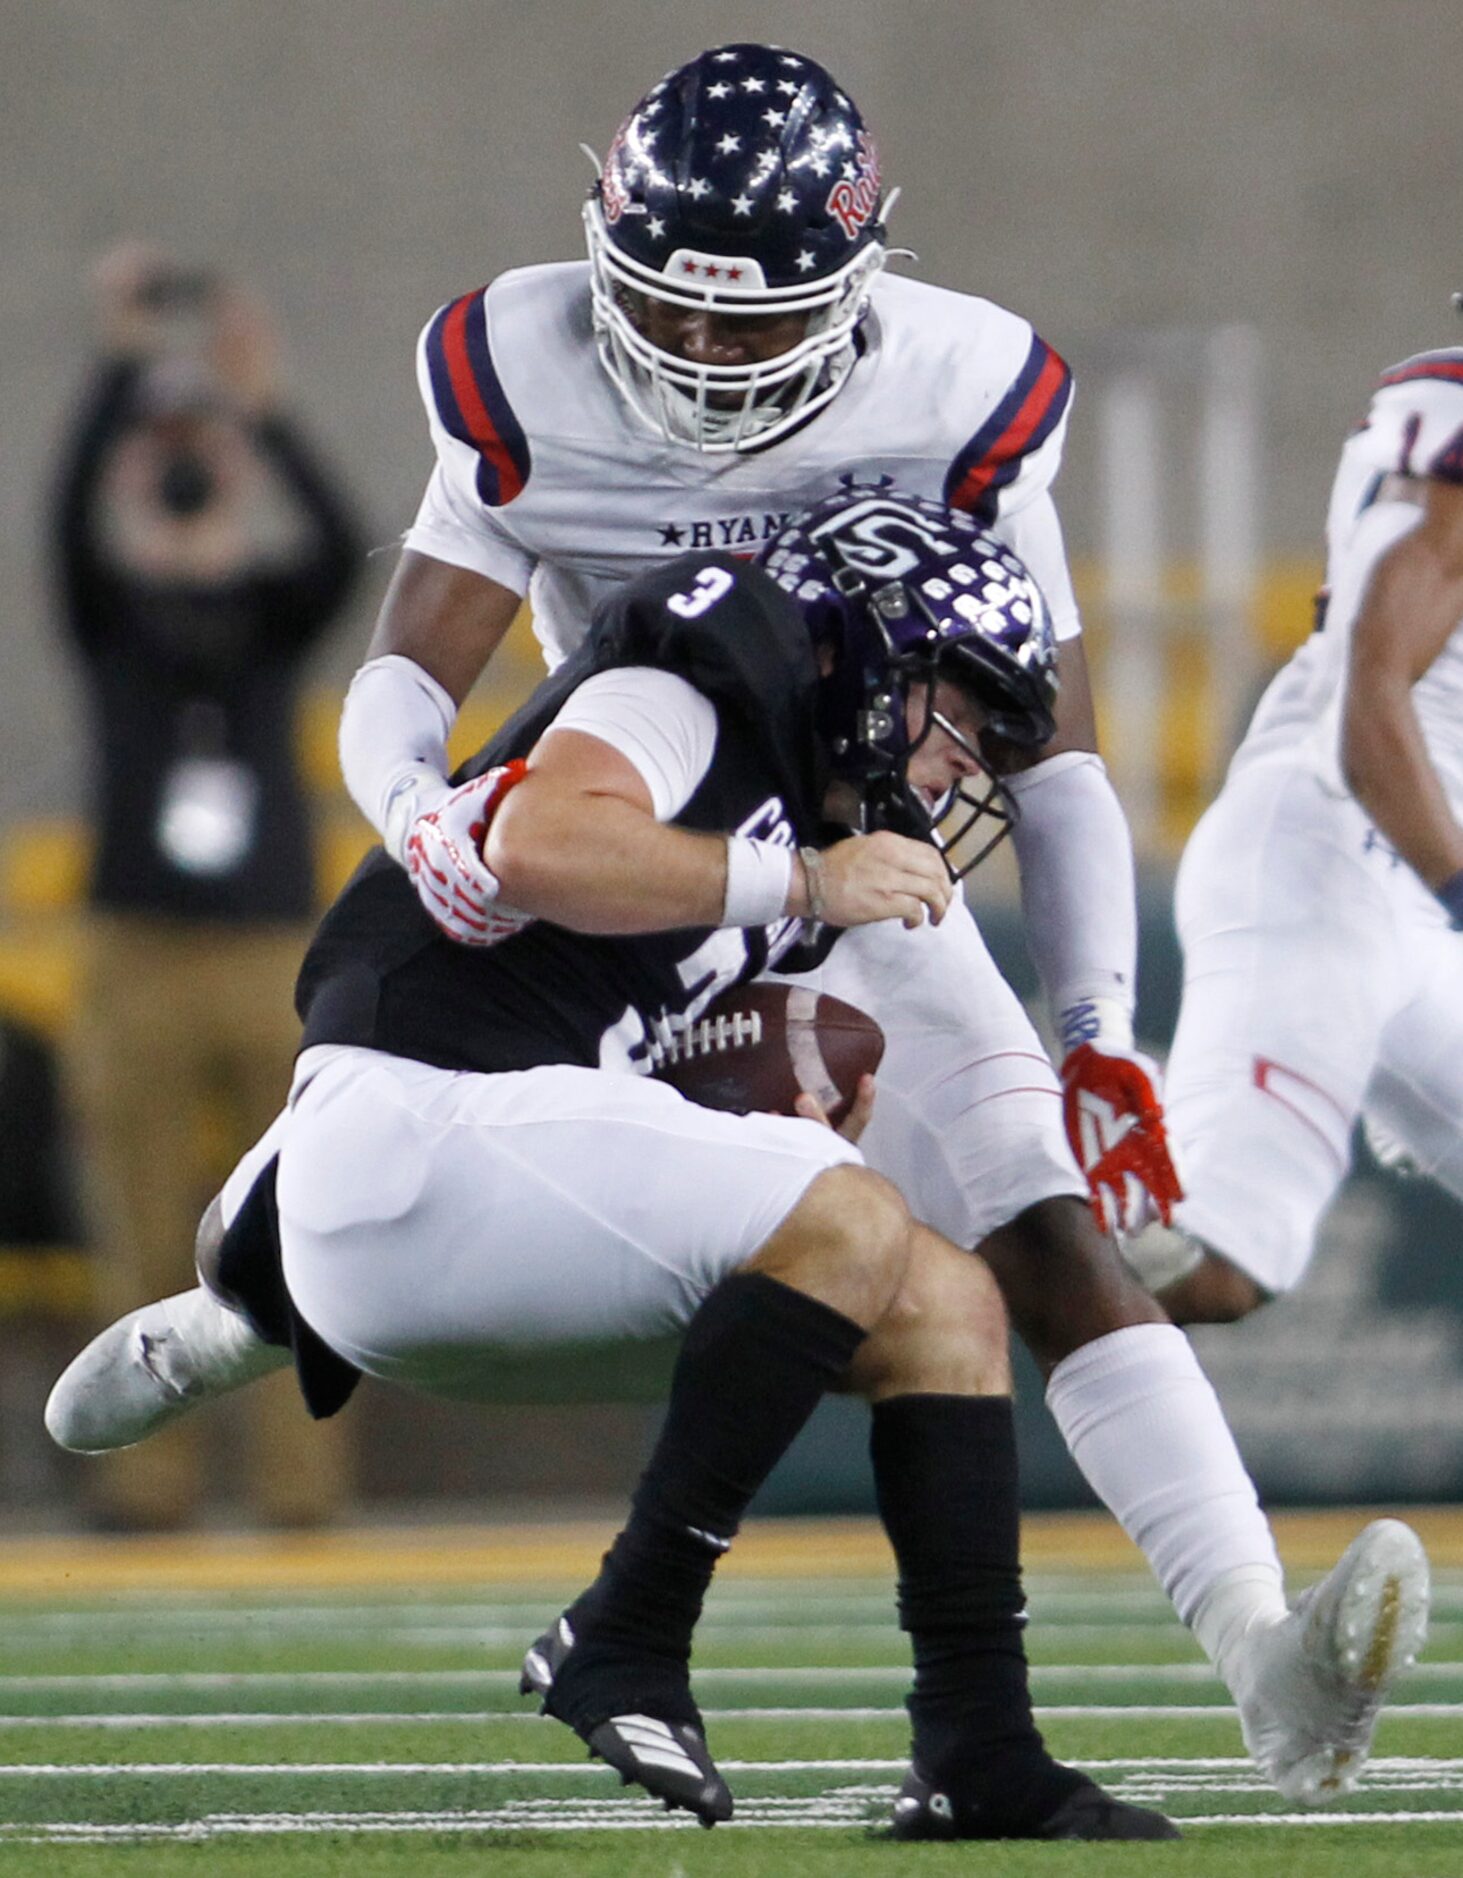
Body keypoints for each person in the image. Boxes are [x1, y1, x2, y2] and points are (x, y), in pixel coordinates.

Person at [48, 49, 1428, 1803]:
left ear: (861, 285)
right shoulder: (525, 369)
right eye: (665, 316)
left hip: (845, 830)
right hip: (639, 807)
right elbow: (410, 662)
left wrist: (1093, 1031)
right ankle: (264, 1290)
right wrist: (420, 812)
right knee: (457, 1081)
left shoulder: (963, 386)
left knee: (1035, 1227)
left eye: (746, 324)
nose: (699, 360)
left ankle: (1257, 1658)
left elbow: (1045, 742)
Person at [54, 495, 1179, 1839]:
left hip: (470, 1159)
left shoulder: (787, 796)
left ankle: (979, 1750)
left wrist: (759, 1079)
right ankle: (628, 1629)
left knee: (946, 1304)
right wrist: (808, 890)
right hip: (414, 1136)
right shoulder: (682, 690)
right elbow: (538, 843)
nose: (955, 769)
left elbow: (612, 1015)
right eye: (955, 711)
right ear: (871, 663)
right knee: (848, 1219)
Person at [49, 240, 365, 1528]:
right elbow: (66, 517)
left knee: (303, 1233)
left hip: (266, 950)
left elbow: (344, 544)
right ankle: (146, 1483)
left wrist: (261, 413)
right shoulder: (112, 611)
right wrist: (117, 372)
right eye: (162, 452)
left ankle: (299, 1491)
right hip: (136, 949)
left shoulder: (270, 610)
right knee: (133, 1219)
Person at [1127, 315, 1463, 1326]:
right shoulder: (1444, 436)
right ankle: (1031, 1130)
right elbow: (1365, 711)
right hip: (1334, 849)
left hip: (1416, 883)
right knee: (1205, 1268)